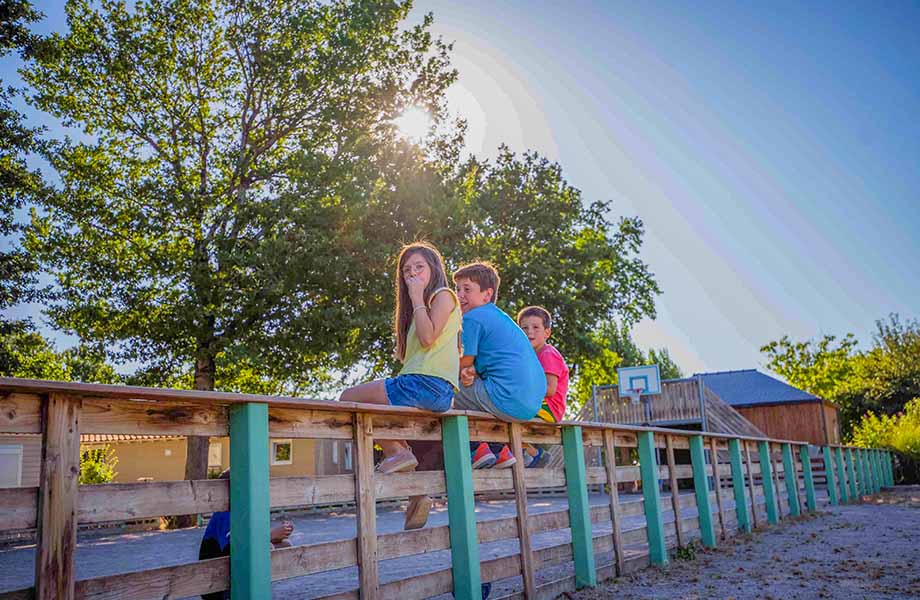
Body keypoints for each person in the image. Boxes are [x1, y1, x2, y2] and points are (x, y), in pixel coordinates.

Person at [339, 241, 461, 528]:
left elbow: (430, 339)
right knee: (392, 428)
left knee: (347, 398)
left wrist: (417, 296)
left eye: (419, 267)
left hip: (425, 385)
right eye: (407, 271)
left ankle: (396, 452)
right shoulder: (422, 308)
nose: (413, 274)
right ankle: (416, 493)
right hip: (429, 387)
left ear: (434, 268)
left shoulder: (443, 295)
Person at [453, 262, 545, 469]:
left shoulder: (472, 317)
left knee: (443, 392)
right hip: (530, 405)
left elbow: (461, 364)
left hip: (507, 398)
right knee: (468, 391)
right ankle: (501, 450)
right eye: (457, 289)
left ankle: (476, 449)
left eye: (467, 289)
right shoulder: (501, 318)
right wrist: (470, 373)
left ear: (487, 294)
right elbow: (483, 365)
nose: (460, 295)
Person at [198, 469, 294, 600]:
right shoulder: (225, 514)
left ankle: (258, 586)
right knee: (267, 547)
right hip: (217, 585)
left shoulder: (245, 512)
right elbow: (232, 547)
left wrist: (279, 535)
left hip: (235, 571)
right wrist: (270, 535)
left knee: (285, 545)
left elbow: (249, 542)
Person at [517, 305, 569, 467]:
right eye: (524, 328)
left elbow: (550, 389)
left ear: (547, 332)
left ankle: (535, 454)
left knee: (505, 409)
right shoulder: (528, 357)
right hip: (538, 405)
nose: (529, 332)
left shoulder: (547, 354)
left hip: (549, 408)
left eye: (535, 327)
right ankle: (531, 453)